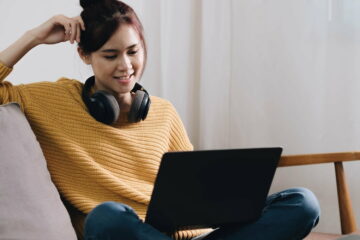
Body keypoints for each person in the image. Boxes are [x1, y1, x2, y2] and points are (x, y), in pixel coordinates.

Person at [0, 0, 320, 239]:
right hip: (126, 232)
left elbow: (197, 195)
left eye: (133, 51)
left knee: (302, 203)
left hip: (192, 235)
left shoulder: (164, 112)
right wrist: (33, 37)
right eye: (110, 56)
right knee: (105, 217)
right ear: (86, 56)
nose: (126, 66)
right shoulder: (51, 100)